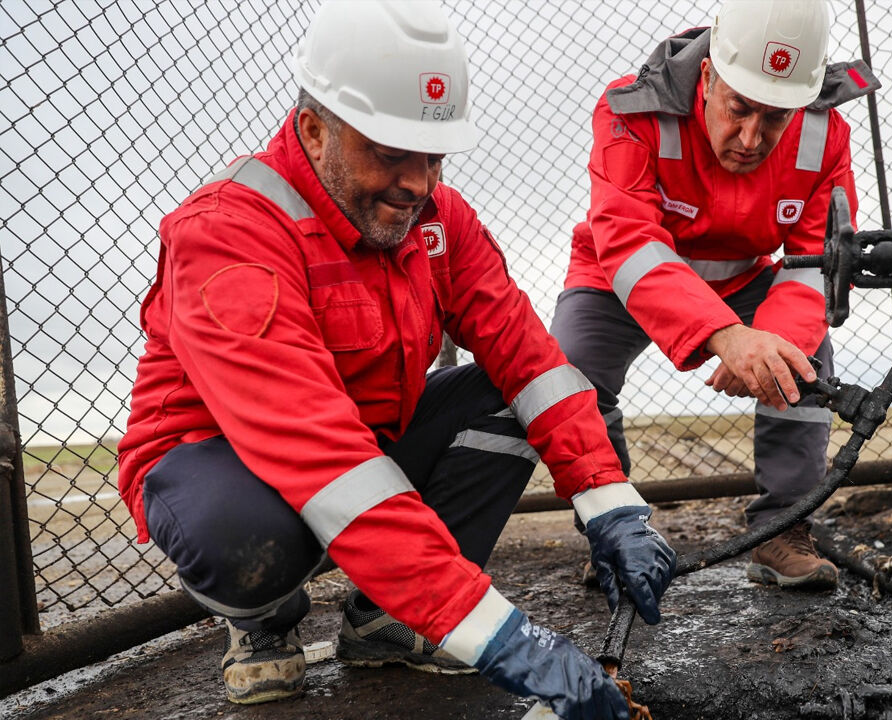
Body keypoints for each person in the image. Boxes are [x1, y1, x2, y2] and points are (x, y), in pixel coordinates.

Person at [115, 2, 674, 717]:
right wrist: (505, 639)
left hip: (365, 444)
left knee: (515, 391)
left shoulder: (439, 219)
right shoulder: (231, 233)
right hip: (225, 463)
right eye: (389, 153)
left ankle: (390, 619)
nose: (419, 184)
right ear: (315, 130)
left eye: (433, 156)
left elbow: (532, 359)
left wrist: (610, 504)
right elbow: (320, 455)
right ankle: (262, 621)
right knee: (243, 537)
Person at [551, 0, 878, 591]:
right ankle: (612, 531)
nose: (751, 138)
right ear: (706, 79)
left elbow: (819, 261)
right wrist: (723, 335)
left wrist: (768, 341)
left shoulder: (826, 134)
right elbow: (627, 241)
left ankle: (783, 530)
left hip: (744, 279)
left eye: (775, 117)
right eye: (739, 108)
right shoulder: (632, 110)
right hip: (618, 275)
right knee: (570, 374)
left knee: (802, 362)